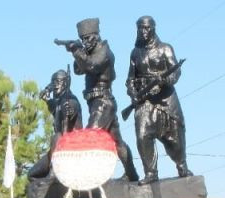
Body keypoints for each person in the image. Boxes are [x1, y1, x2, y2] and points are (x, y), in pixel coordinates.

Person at [59, 17, 140, 182]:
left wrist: (77, 51)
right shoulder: (89, 52)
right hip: (95, 103)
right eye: (82, 39)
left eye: (87, 38)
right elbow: (79, 70)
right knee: (118, 142)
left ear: (96, 35)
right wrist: (78, 50)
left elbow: (92, 67)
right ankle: (132, 174)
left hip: (103, 102)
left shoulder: (104, 51)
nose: (85, 42)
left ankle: (87, 179)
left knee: (90, 138)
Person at [126, 16, 191, 184]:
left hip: (166, 100)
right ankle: (150, 172)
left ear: (153, 28)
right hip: (144, 101)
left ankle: (181, 165)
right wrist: (133, 94)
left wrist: (163, 82)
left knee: (175, 138)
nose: (143, 31)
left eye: (147, 28)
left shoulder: (165, 48)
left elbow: (175, 72)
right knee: (142, 136)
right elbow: (130, 79)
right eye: (140, 28)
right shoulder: (135, 52)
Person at [28, 69, 83, 180]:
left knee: (57, 136)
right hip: (57, 149)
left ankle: (54, 171)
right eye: (53, 82)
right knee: (32, 174)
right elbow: (54, 107)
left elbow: (72, 108)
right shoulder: (58, 103)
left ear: (66, 83)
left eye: (58, 81)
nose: (55, 85)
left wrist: (70, 111)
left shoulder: (71, 100)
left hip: (71, 147)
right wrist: (47, 99)